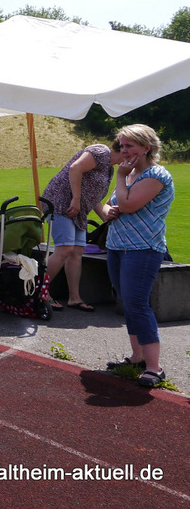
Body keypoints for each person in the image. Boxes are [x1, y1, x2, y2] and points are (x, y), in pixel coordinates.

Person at [99, 124, 174, 389]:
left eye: (129, 145)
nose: (124, 150)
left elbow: (129, 204)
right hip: (118, 246)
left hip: (142, 248)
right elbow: (112, 203)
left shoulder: (156, 174)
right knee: (127, 302)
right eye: (121, 145)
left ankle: (155, 368)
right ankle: (137, 357)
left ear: (146, 147)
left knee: (137, 304)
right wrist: (107, 210)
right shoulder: (130, 174)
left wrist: (120, 178)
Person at [40, 142, 123, 311]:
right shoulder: (100, 152)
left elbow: (94, 198)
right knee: (65, 249)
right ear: (123, 149)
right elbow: (75, 168)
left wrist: (106, 217)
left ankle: (74, 298)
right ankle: (39, 291)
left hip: (78, 209)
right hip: (61, 202)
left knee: (77, 251)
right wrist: (76, 199)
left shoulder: (110, 168)